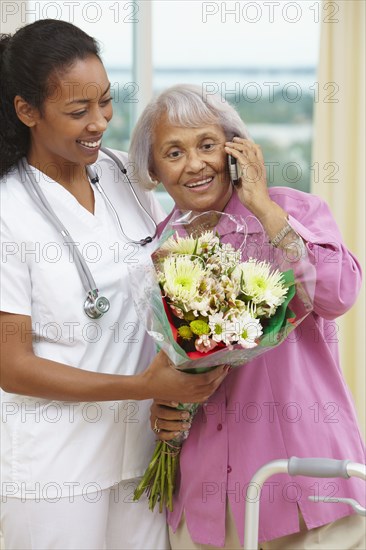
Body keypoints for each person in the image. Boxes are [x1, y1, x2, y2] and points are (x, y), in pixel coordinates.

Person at [0, 24, 229, 550]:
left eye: (105, 102)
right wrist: (148, 387)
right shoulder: (9, 211)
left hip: (141, 452)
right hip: (55, 467)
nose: (100, 122)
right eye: (78, 112)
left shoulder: (124, 174)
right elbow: (12, 367)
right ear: (27, 111)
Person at [129, 84, 366, 549]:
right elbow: (165, 362)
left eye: (207, 145)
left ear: (236, 150)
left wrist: (264, 208)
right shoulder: (161, 249)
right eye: (174, 152)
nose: (195, 164)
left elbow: (339, 295)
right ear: (154, 170)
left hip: (305, 490)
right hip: (205, 503)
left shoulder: (291, 210)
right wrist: (163, 411)